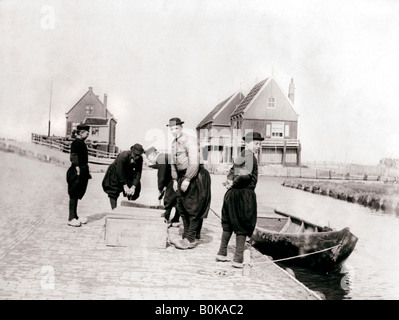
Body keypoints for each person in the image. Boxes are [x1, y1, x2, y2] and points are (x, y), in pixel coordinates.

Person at [216, 131, 264, 268]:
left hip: (231, 195)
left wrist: (229, 181)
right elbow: (246, 175)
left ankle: (222, 252)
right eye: (256, 143)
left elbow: (232, 171)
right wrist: (234, 183)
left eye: (259, 144)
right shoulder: (250, 156)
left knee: (229, 223)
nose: (258, 146)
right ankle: (238, 259)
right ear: (247, 143)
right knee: (243, 224)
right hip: (244, 195)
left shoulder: (241, 154)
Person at [167, 117, 211, 250]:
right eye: (172, 129)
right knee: (181, 206)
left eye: (176, 128)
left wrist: (187, 179)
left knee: (193, 207)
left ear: (181, 128)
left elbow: (194, 162)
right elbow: (173, 164)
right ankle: (186, 236)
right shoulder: (174, 143)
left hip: (195, 176)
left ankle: (191, 238)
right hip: (181, 176)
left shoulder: (189, 140)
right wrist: (175, 179)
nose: (174, 131)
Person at [145, 147, 181, 226]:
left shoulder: (161, 158)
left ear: (153, 154)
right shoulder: (164, 156)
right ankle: (172, 216)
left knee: (169, 198)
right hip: (177, 177)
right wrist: (165, 186)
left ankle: (169, 216)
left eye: (148, 157)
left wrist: (160, 189)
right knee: (175, 199)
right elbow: (168, 172)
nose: (149, 160)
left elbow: (162, 175)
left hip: (177, 178)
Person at [102, 143, 145, 209]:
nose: (137, 157)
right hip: (116, 171)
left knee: (134, 190)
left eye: (139, 155)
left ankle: (129, 207)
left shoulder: (140, 159)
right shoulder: (123, 156)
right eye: (136, 155)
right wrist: (125, 185)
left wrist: (133, 187)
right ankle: (114, 209)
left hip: (129, 172)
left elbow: (138, 173)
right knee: (113, 190)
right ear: (132, 152)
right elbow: (120, 171)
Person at [66, 124, 91, 227]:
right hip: (77, 171)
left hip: (82, 170)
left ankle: (75, 216)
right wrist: (77, 169)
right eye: (86, 132)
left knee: (77, 194)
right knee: (73, 193)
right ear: (81, 133)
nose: (88, 134)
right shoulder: (76, 143)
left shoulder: (81, 143)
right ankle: (71, 218)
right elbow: (74, 156)